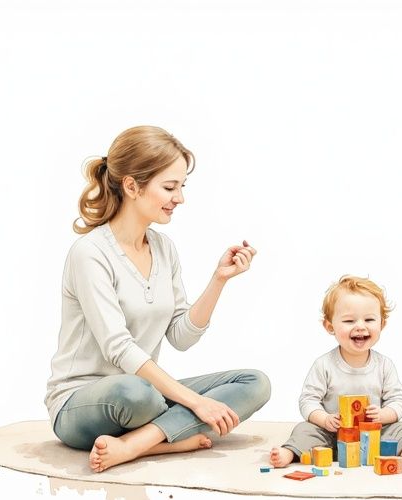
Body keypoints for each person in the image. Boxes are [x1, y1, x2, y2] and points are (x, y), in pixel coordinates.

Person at [45, 125, 270, 473]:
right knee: (138, 394)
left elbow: (181, 337)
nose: (179, 198)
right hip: (84, 402)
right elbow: (119, 348)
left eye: (181, 187)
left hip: (145, 393)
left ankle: (138, 445)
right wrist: (196, 404)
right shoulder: (89, 253)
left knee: (255, 383)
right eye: (170, 187)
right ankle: (169, 436)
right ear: (132, 186)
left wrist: (218, 280)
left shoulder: (164, 248)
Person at [269, 275, 402, 468]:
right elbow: (308, 401)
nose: (360, 326)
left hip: (374, 435)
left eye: (369, 319)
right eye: (349, 321)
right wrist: (325, 419)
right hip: (331, 437)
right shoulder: (324, 364)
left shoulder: (384, 365)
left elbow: (398, 400)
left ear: (381, 324)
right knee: (304, 429)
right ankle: (290, 451)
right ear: (330, 326)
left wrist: (383, 415)